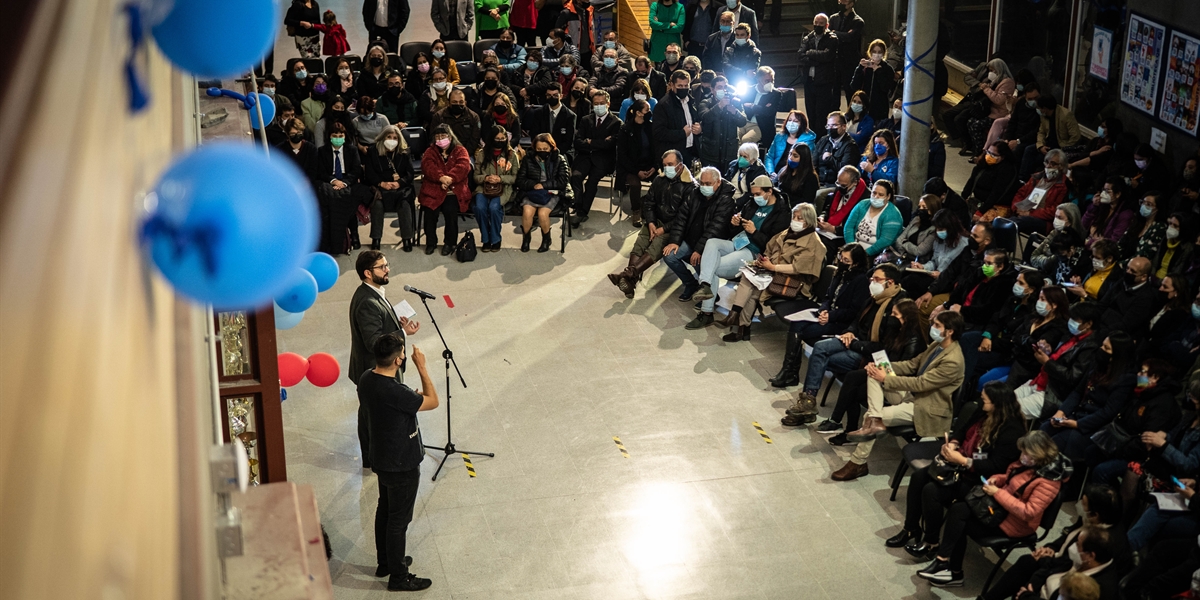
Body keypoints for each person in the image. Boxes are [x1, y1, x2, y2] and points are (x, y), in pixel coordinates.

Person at [888, 381, 1027, 558]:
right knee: (919, 477)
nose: (980, 401)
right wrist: (954, 444)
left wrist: (964, 460)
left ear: (997, 403)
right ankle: (911, 529)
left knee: (932, 490)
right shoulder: (984, 411)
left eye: (985, 400)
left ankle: (931, 542)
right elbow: (962, 429)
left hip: (981, 479)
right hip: (961, 463)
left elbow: (995, 465)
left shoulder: (1012, 431)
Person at [916, 431, 1070, 587]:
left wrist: (998, 493)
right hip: (1000, 510)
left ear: (1039, 454)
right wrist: (998, 479)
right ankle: (944, 564)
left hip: (1014, 525)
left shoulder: (1048, 483)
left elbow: (1028, 512)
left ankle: (951, 570)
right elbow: (1011, 478)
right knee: (958, 509)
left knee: (959, 520)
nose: (1022, 455)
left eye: (1026, 452)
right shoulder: (1030, 464)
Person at [834, 311, 966, 480]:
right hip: (914, 396)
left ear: (950, 331)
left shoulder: (953, 360)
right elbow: (912, 364)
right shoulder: (937, 345)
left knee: (872, 412)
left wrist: (886, 378)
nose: (932, 327)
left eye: (937, 325)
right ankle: (875, 418)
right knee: (873, 374)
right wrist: (882, 366)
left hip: (927, 407)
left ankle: (858, 462)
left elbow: (921, 383)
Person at [784, 263, 908, 425]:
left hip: (871, 354)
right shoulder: (874, 298)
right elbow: (857, 320)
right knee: (820, 348)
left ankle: (809, 407)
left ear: (890, 282)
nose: (873, 283)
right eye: (872, 279)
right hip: (855, 340)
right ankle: (808, 401)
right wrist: (849, 332)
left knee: (821, 359)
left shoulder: (897, 307)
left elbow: (883, 346)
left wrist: (854, 344)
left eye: (877, 280)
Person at [359, 332, 435, 592]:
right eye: (402, 355)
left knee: (385, 509)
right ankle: (399, 576)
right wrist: (422, 367)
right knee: (398, 521)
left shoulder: (366, 379)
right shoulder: (397, 392)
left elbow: (389, 406)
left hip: (381, 458)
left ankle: (386, 562)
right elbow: (432, 401)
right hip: (402, 463)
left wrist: (405, 398)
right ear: (397, 361)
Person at [979, 485, 1124, 600]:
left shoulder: (1107, 544)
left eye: (1083, 504)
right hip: (1061, 566)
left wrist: (1030, 595)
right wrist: (1050, 549)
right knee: (1027, 561)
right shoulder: (1089, 522)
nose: (1079, 505)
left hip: (1068, 577)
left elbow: (1069, 564)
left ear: (1095, 514)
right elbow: (1066, 541)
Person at [809, 298, 927, 436]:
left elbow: (904, 369)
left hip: (897, 382)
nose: (891, 317)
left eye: (895, 315)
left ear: (906, 318)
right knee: (851, 377)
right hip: (884, 369)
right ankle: (839, 423)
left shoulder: (914, 340)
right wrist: (875, 364)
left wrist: (879, 368)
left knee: (855, 390)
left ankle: (846, 428)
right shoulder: (895, 331)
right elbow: (884, 352)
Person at [690, 174, 791, 328]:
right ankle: (704, 285)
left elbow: (773, 245)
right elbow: (735, 230)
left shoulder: (781, 212)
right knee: (711, 243)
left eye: (758, 194)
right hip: (738, 243)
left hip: (754, 252)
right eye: (753, 194)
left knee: (712, 268)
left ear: (769, 191)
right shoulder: (751, 204)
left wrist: (754, 232)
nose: (755, 197)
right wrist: (735, 223)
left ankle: (706, 312)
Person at [348, 250, 420, 464]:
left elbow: (379, 325)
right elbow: (373, 342)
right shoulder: (367, 301)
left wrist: (397, 324)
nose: (388, 269)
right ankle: (372, 458)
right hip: (375, 370)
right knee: (372, 417)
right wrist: (403, 333)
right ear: (368, 273)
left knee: (371, 414)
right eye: (382, 267)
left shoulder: (374, 292)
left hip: (379, 368)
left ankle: (374, 455)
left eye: (387, 264)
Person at [713, 203, 825, 341]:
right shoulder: (787, 232)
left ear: (809, 221)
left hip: (794, 282)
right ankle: (739, 325)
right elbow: (769, 247)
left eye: (800, 218)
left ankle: (737, 322)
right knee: (749, 278)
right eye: (794, 217)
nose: (795, 220)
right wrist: (763, 261)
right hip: (772, 272)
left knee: (752, 286)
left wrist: (772, 267)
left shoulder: (814, 243)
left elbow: (798, 268)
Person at [770, 244, 870, 388]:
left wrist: (830, 316)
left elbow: (854, 311)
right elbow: (828, 297)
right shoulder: (840, 273)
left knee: (798, 331)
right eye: (841, 257)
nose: (841, 261)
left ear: (856, 263)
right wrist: (823, 310)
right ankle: (788, 372)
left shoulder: (861, 281)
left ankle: (790, 373)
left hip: (841, 322)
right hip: (827, 315)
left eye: (846, 260)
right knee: (796, 324)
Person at [608, 151, 695, 297]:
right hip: (656, 221)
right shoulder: (659, 180)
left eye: (670, 165)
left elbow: (683, 217)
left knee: (656, 246)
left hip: (674, 229)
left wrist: (663, 229)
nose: (666, 168)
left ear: (680, 166)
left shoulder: (690, 187)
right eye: (664, 165)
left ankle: (627, 275)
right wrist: (651, 223)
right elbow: (649, 203)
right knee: (640, 243)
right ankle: (630, 280)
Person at [1009, 301, 1103, 421]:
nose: (1071, 321)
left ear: (1088, 324)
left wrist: (1047, 362)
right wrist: (1048, 350)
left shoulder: (1090, 348)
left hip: (1052, 394)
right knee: (1000, 402)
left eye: (1075, 319)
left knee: (1007, 411)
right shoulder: (1071, 335)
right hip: (1038, 382)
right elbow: (1060, 357)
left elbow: (1072, 377)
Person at [1043, 331, 1137, 451]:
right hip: (1076, 414)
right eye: (1102, 345)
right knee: (1044, 430)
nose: (1101, 349)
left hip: (1092, 425)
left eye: (1106, 348)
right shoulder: (1097, 365)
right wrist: (1061, 412)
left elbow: (1108, 412)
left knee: (1055, 445)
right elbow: (1078, 392)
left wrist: (1078, 424)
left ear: (1117, 355)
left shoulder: (1126, 379)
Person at [662, 166, 736, 300]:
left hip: (708, 247)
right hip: (691, 240)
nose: (704, 186)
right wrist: (675, 241)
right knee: (670, 256)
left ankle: (711, 295)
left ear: (718, 182)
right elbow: (681, 218)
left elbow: (715, 228)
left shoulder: (726, 200)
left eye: (708, 184)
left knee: (700, 263)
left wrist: (699, 250)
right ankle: (691, 284)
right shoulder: (694, 193)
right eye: (702, 183)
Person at [316, 122, 373, 253]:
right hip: (330, 183)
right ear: (329, 136)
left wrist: (345, 183)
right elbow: (321, 172)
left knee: (351, 197)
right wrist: (334, 181)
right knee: (329, 198)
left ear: (344, 136)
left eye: (340, 135)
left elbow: (356, 170)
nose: (338, 138)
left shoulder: (352, 150)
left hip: (348, 182)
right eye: (335, 135)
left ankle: (354, 234)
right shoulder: (322, 151)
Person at [568, 90, 621, 227]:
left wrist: (591, 142)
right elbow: (578, 142)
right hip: (585, 157)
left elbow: (610, 145)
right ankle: (578, 206)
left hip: (604, 160)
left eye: (601, 103)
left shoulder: (616, 123)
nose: (598, 106)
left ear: (608, 104)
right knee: (576, 177)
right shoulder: (586, 120)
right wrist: (600, 142)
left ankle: (582, 212)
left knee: (591, 182)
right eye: (596, 104)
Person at [419, 125, 471, 255]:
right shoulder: (430, 151)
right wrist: (441, 178)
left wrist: (450, 179)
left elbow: (463, 166)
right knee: (430, 213)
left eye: (443, 136)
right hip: (434, 189)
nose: (440, 139)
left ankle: (450, 243)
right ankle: (431, 242)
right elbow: (427, 166)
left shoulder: (460, 150)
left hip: (453, 191)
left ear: (450, 136)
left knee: (450, 211)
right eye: (437, 137)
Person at [363, 125, 417, 251]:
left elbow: (410, 174)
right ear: (383, 137)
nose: (392, 140)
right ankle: (376, 239)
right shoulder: (372, 151)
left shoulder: (404, 152)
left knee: (404, 204)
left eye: (395, 138)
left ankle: (407, 239)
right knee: (377, 205)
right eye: (389, 137)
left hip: (400, 189)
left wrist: (400, 183)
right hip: (380, 188)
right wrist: (381, 183)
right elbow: (369, 174)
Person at [516, 133, 572, 252]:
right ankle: (526, 239)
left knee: (542, 214)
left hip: (552, 192)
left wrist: (543, 185)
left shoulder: (559, 159)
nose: (542, 151)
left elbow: (562, 181)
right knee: (527, 212)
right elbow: (520, 180)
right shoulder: (528, 159)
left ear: (551, 147)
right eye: (539, 149)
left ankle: (546, 239)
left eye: (545, 149)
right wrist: (533, 185)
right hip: (532, 191)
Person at [472, 126, 519, 252]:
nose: (500, 140)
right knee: (479, 208)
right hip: (484, 187)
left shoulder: (512, 155)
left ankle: (496, 239)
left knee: (493, 208)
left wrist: (500, 179)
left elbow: (515, 177)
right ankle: (486, 239)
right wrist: (486, 178)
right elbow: (476, 177)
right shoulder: (482, 154)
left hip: (503, 188)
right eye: (497, 138)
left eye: (502, 138)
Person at [615, 100, 658, 228]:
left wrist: (654, 167)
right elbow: (622, 156)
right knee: (634, 184)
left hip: (648, 166)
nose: (649, 112)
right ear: (638, 113)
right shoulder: (625, 130)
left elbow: (656, 150)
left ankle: (648, 206)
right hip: (630, 167)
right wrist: (636, 171)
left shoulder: (650, 127)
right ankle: (636, 211)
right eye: (647, 110)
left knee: (661, 181)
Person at [1009, 148, 1070, 236]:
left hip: (1043, 221)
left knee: (1017, 223)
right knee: (1008, 221)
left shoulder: (1064, 185)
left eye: (1053, 164)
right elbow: (1020, 193)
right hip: (1023, 212)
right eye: (1047, 162)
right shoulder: (1036, 177)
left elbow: (1055, 210)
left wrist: (1030, 214)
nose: (1048, 166)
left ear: (1062, 166)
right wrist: (1017, 207)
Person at [963, 58, 1016, 157]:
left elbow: (998, 100)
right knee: (970, 121)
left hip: (999, 114)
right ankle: (976, 147)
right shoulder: (996, 80)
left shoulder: (1008, 82)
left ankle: (979, 152)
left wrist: (986, 89)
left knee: (975, 125)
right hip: (990, 111)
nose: (991, 73)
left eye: (992, 70)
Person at [796, 15, 838, 138]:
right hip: (809, 81)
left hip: (824, 81)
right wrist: (817, 60)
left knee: (821, 114)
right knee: (811, 112)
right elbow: (800, 55)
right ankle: (812, 138)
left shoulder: (832, 39)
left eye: (821, 23)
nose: (818, 25)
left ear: (827, 25)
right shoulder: (807, 38)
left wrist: (811, 53)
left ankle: (821, 138)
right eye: (816, 22)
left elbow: (828, 56)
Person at [842, 179, 903, 257]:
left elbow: (885, 241)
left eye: (880, 195)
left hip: (875, 253)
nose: (876, 197)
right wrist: (851, 248)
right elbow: (848, 227)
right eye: (874, 193)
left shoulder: (893, 215)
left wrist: (862, 255)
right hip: (854, 248)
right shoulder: (862, 205)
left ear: (888, 196)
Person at [964, 141, 1019, 222]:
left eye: (994, 155)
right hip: (978, 201)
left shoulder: (1007, 170)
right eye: (988, 152)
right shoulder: (982, 164)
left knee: (980, 222)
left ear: (1002, 157)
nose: (989, 156)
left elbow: (996, 193)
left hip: (997, 205)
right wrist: (963, 198)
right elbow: (971, 182)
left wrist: (981, 211)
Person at [653, 71, 700, 163]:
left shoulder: (691, 102)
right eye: (680, 86)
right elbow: (658, 132)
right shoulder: (663, 105)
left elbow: (697, 120)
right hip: (672, 155)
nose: (683, 88)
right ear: (672, 85)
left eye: (686, 86)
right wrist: (681, 133)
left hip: (689, 151)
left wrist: (699, 128)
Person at [881, 194, 940, 265]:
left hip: (918, 263)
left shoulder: (934, 229)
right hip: (902, 257)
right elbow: (899, 240)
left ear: (932, 210)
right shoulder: (916, 220)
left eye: (924, 207)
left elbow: (919, 251)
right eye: (919, 207)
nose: (920, 209)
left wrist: (905, 242)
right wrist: (904, 253)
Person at [848, 39, 896, 122]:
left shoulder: (888, 69)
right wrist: (859, 68)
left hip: (879, 110)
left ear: (884, 53)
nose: (876, 54)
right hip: (863, 108)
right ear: (870, 52)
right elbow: (854, 86)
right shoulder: (865, 67)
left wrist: (878, 71)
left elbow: (886, 88)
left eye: (879, 52)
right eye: (874, 51)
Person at [1083, 176, 1136, 247]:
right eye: (1103, 190)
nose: (1103, 194)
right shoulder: (1102, 206)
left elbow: (1114, 240)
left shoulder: (1125, 214)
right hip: (1091, 245)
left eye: (1107, 191)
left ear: (1118, 194)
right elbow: (1084, 224)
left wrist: (1091, 242)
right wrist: (1094, 206)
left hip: (1103, 250)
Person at [813, 112, 861, 190]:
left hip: (836, 185)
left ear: (844, 126)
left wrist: (830, 159)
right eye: (828, 126)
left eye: (834, 125)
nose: (830, 128)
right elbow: (813, 163)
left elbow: (845, 170)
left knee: (819, 195)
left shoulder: (850, 146)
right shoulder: (823, 140)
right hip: (819, 182)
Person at [1027, 204, 1083, 270]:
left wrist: (1041, 258)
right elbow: (1033, 256)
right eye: (1055, 216)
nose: (1056, 220)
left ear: (1070, 222)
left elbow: (1049, 264)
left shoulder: (1071, 241)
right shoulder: (1054, 232)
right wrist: (1044, 260)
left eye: (1060, 218)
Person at [525, 84, 576, 151]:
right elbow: (534, 135)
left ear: (561, 96)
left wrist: (555, 152)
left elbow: (568, 141)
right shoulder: (539, 113)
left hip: (562, 152)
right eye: (549, 95)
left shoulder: (570, 116)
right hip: (541, 150)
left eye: (555, 95)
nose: (551, 97)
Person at [764, 111, 816, 177]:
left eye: (796, 121)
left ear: (802, 124)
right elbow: (769, 157)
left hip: (795, 176)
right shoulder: (779, 136)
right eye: (790, 120)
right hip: (774, 174)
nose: (791, 123)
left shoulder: (808, 141)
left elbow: (806, 163)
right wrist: (771, 172)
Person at [1120, 192, 1166, 261]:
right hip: (1120, 261)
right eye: (1143, 202)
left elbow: (1143, 255)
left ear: (1157, 208)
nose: (1143, 206)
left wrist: (1119, 265)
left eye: (1148, 204)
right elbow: (1121, 244)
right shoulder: (1137, 221)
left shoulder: (1159, 228)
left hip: (1135, 267)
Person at [276, 118, 321, 184]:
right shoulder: (280, 150)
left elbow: (313, 171)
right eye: (293, 133)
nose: (296, 135)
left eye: (299, 133)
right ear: (287, 134)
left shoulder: (311, 148)